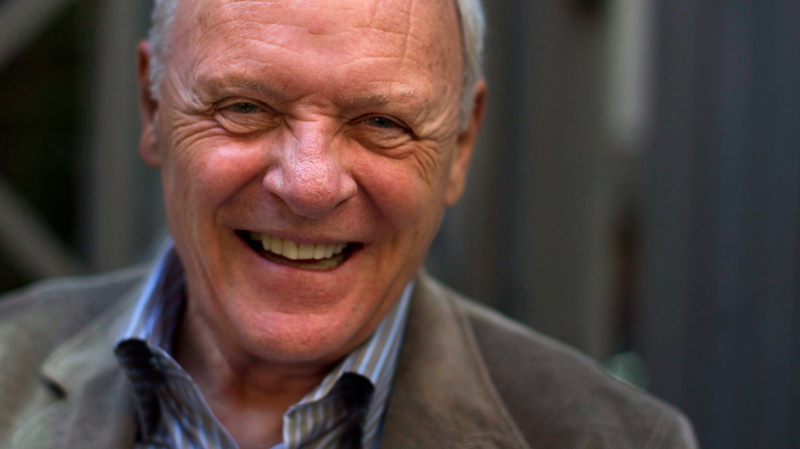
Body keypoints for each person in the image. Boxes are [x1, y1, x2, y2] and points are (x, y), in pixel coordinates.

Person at [0, 0, 698, 448]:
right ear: (153, 108)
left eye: (382, 123)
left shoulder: (621, 439)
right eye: (245, 107)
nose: (309, 186)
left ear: (460, 145)